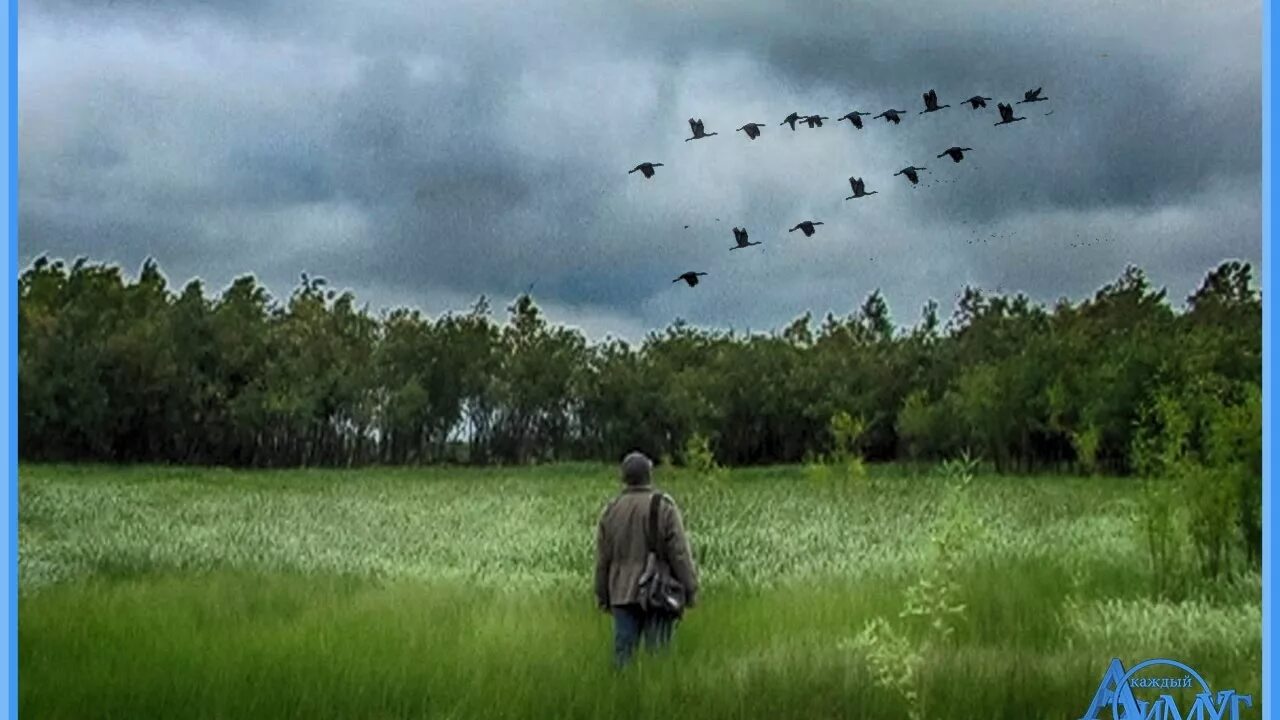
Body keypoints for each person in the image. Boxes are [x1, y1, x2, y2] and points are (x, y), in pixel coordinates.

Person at [595, 451, 699, 668]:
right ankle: (656, 697)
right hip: (657, 591)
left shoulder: (611, 510)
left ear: (624, 477)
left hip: (621, 593)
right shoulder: (663, 507)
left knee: (623, 658)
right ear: (649, 475)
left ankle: (621, 698)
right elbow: (679, 553)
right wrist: (690, 589)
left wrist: (602, 594)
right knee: (659, 659)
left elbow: (603, 559)